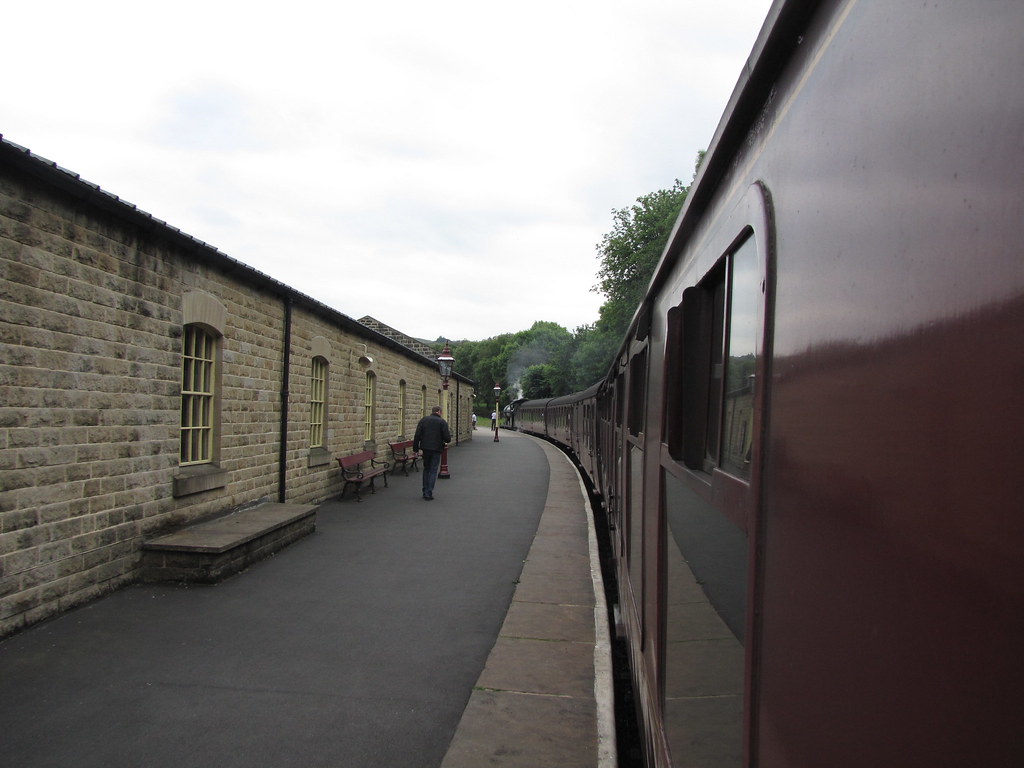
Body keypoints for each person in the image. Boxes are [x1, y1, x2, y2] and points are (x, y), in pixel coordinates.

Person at [413, 405, 451, 501]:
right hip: (436, 449)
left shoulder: (423, 420)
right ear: (439, 412)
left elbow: (417, 435)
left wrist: (415, 449)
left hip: (425, 448)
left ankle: (425, 490)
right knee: (433, 470)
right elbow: (447, 438)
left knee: (426, 469)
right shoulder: (442, 422)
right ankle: (429, 492)